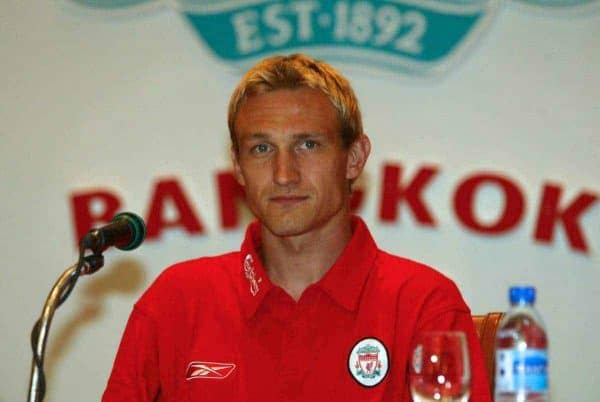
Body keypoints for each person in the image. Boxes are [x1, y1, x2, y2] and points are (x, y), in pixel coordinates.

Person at [102, 54, 491, 402]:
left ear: (354, 157)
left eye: (307, 145)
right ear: (237, 166)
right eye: (261, 149)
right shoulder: (176, 301)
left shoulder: (424, 304)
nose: (284, 174)